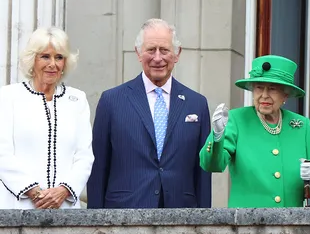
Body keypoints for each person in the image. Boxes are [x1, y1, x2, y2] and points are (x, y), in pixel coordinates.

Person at [87, 18, 211, 208]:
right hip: (124, 214)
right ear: (138, 53)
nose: (158, 58)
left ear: (177, 54)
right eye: (151, 50)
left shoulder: (197, 104)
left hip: (181, 216)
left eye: (165, 50)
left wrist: (204, 223)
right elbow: (98, 169)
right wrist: (94, 222)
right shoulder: (111, 101)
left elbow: (202, 172)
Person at [199, 55, 310, 207]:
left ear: (285, 94)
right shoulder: (237, 119)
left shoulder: (301, 126)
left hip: (290, 225)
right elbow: (212, 165)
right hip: (247, 225)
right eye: (259, 87)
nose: (264, 95)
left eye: (272, 89)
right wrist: (217, 136)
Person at [0, 27, 94, 209]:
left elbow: (84, 156)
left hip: (64, 208)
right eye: (45, 56)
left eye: (59, 57)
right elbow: (2, 154)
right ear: (32, 59)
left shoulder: (77, 100)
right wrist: (36, 193)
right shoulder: (8, 96)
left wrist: (63, 191)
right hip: (19, 207)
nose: (53, 64)